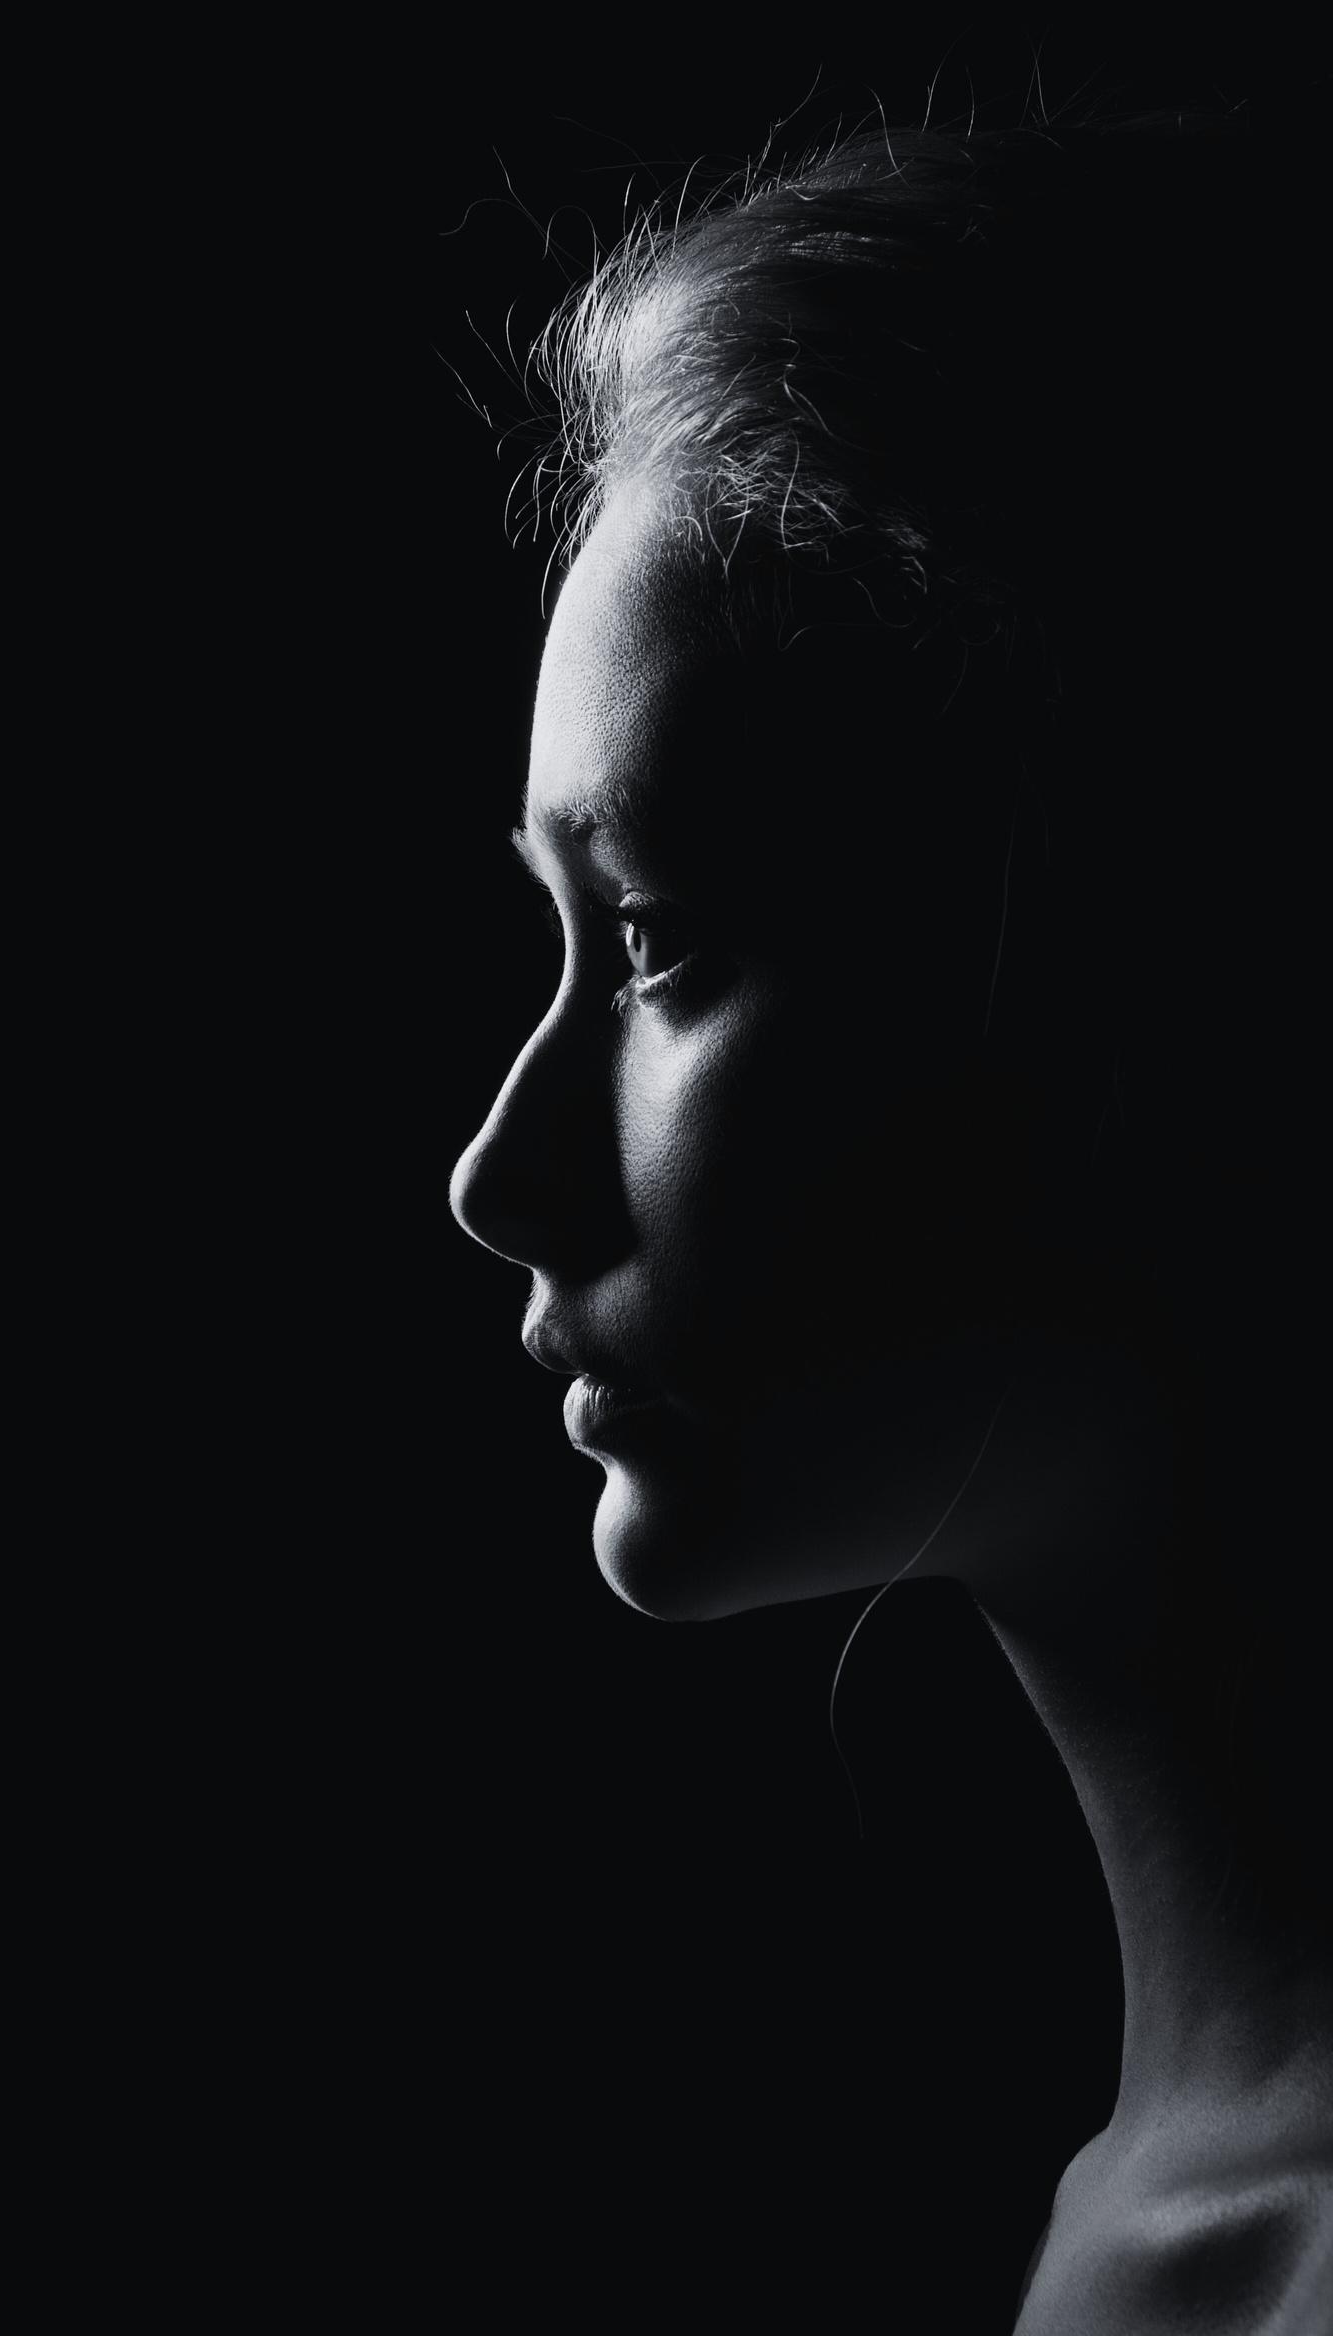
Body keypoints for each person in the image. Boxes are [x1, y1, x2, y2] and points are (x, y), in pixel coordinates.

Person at [442, 98, 1330, 2333]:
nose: (498, 1177)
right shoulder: (1115, 2231)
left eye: (653, 943)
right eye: (558, 938)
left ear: (1150, 932)